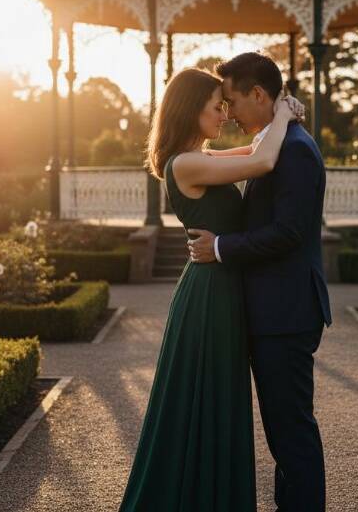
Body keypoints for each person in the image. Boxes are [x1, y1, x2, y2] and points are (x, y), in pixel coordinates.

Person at [118, 66, 304, 512]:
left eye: (225, 106)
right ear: (189, 111)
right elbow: (262, 161)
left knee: (217, 398)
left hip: (218, 286)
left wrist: (281, 115)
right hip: (209, 294)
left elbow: (253, 149)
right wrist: (281, 115)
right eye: (215, 107)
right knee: (205, 399)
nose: (223, 115)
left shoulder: (196, 155)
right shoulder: (185, 163)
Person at [188, 52, 332, 512]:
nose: (227, 113)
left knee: (291, 435)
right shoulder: (278, 140)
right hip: (274, 312)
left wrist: (220, 248)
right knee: (283, 436)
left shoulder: (295, 150)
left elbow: (289, 233)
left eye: (231, 101)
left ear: (258, 94)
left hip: (286, 315)